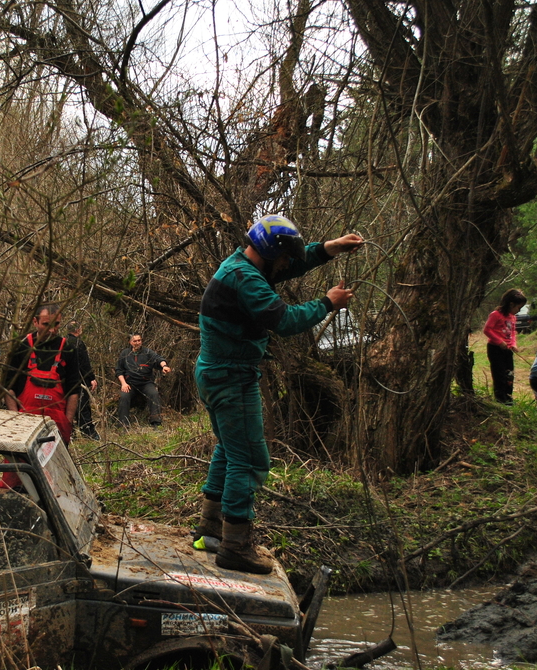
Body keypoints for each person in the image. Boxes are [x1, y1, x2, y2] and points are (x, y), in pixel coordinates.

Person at [193, 214, 362, 574]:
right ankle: (235, 545)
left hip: (214, 372)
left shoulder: (242, 265)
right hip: (231, 378)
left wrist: (329, 249)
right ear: (270, 254)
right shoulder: (246, 280)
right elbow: (284, 321)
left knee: (229, 447)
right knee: (251, 460)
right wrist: (328, 303)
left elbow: (290, 268)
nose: (287, 265)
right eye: (284, 258)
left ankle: (209, 529)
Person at [3, 304, 82, 443]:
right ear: (35, 322)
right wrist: (15, 419)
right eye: (46, 324)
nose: (52, 330)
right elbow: (7, 387)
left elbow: (74, 389)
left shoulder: (68, 349)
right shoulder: (21, 347)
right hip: (24, 422)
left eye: (56, 324)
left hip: (56, 423)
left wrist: (67, 423)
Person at [115, 333, 171, 427]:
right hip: (130, 383)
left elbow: (158, 359)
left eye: (139, 340)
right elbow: (119, 370)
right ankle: (123, 424)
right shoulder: (125, 353)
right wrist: (123, 383)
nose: (137, 343)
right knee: (124, 396)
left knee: (154, 394)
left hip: (146, 382)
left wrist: (164, 366)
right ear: (130, 342)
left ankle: (156, 421)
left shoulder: (148, 352)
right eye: (135, 341)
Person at [483, 289, 527, 405]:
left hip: (507, 350)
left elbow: (512, 333)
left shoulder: (512, 317)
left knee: (509, 374)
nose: (518, 311)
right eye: (518, 307)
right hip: (495, 349)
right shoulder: (495, 315)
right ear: (511, 304)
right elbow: (487, 330)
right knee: (499, 374)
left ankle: (508, 396)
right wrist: (499, 342)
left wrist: (513, 344)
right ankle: (500, 398)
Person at [66, 321, 100, 440]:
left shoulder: (63, 342)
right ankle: (88, 433)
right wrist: (91, 378)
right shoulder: (78, 344)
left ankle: (70, 433)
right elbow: (84, 363)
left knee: (68, 408)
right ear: (78, 330)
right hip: (79, 381)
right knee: (83, 407)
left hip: (65, 382)